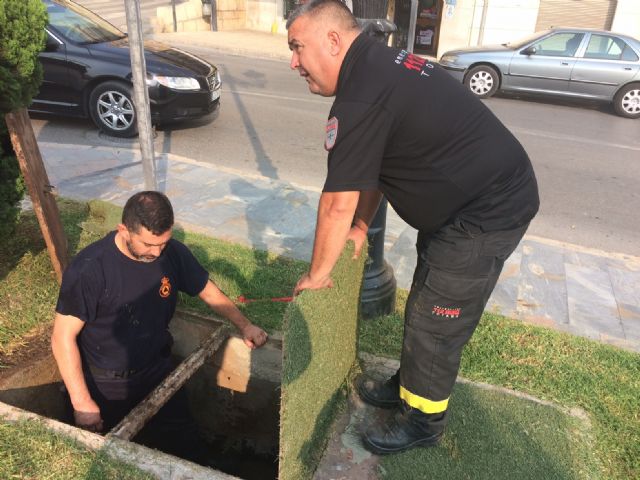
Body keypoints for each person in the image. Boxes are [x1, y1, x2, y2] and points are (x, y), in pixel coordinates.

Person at [287, 0, 539, 455]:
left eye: (297, 48)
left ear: (332, 41)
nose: (293, 62)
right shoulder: (376, 65)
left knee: (434, 321)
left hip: (486, 209)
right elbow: (373, 168)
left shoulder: (362, 94)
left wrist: (318, 275)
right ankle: (409, 385)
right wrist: (363, 224)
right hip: (462, 203)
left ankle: (423, 421)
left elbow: (336, 203)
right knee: (428, 297)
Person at [51, 191, 267, 460]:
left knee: (187, 444)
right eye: (147, 244)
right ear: (123, 229)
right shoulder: (90, 270)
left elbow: (206, 290)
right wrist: (81, 401)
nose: (155, 252)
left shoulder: (172, 253)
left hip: (158, 370)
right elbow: (62, 338)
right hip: (109, 383)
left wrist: (244, 325)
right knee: (116, 458)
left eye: (163, 243)